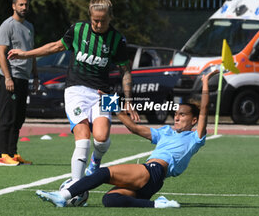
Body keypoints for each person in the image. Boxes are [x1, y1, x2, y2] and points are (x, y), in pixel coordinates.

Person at [8, 0, 139, 190]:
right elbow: (55, 46)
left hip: (105, 92)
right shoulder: (78, 29)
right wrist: (25, 54)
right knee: (84, 138)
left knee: (102, 139)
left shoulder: (117, 39)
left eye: (102, 21)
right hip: (76, 89)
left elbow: (125, 71)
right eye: (95, 20)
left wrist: (128, 99)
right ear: (89, 16)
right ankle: (75, 188)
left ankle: (95, 162)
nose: (98, 24)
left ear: (110, 17)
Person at [35, 69, 219, 208]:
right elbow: (133, 127)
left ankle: (63, 196)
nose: (177, 117)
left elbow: (204, 110)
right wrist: (111, 102)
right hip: (151, 182)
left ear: (194, 120)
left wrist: (204, 82)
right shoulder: (165, 132)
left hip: (151, 171)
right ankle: (158, 204)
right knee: (110, 199)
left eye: (183, 115)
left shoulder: (195, 137)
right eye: (176, 114)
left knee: (102, 173)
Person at [0, 0, 38, 166]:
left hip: (24, 78)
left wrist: (35, 76)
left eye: (26, 5)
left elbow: (31, 54)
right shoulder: (7, 25)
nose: (24, 7)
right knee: (8, 116)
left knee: (19, 117)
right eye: (21, 4)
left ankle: (12, 153)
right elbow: (0, 52)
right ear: (14, 6)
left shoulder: (29, 27)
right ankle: (2, 154)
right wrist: (7, 78)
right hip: (10, 77)